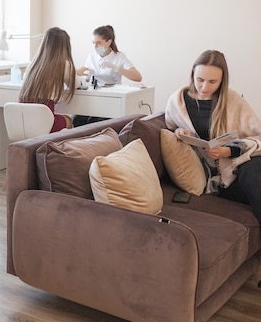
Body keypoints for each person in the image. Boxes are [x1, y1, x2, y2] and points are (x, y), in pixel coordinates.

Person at [165, 50, 261, 226]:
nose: (205, 87)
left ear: (222, 80)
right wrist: (179, 132)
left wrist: (229, 150)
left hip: (242, 162)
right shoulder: (177, 102)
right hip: (221, 179)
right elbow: (169, 130)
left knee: (253, 173)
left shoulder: (232, 99)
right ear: (192, 73)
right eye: (200, 80)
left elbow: (258, 136)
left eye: (212, 82)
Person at [19, 27, 76, 132]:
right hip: (45, 122)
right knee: (70, 119)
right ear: (65, 46)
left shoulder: (33, 64)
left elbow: (25, 78)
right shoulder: (65, 64)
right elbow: (75, 84)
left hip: (25, 121)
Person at [76, 25, 142, 85]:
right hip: (94, 93)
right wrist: (82, 74)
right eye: (93, 43)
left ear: (109, 42)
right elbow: (86, 80)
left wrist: (116, 68)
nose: (95, 46)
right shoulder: (91, 57)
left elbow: (138, 77)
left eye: (99, 43)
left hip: (113, 94)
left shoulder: (119, 56)